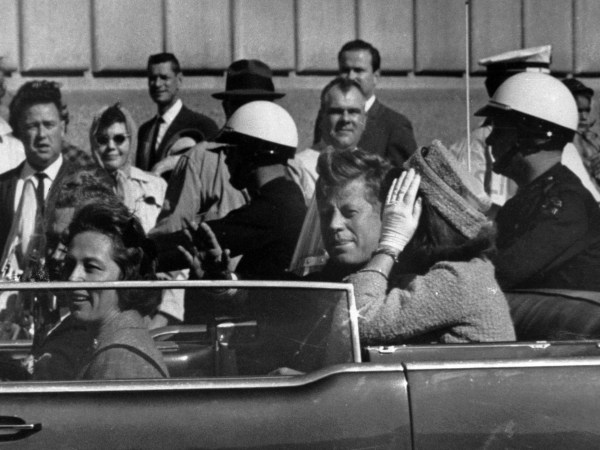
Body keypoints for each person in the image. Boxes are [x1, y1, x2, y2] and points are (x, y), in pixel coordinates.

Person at [315, 144, 515, 343]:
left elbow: (355, 323)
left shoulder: (459, 279)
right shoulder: (455, 272)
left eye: (398, 209)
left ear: (421, 216)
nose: (392, 216)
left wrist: (391, 241)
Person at [476, 72, 600, 291]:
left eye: (500, 130)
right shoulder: (531, 197)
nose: (490, 140)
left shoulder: (567, 204)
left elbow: (501, 274)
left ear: (535, 136)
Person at [174, 101, 306, 283]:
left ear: (252, 152)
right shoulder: (287, 196)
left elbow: (205, 238)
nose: (225, 159)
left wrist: (144, 249)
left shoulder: (274, 207)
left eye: (230, 150)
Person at [63, 201, 168, 380]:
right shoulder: (109, 343)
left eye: (91, 267)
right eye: (70, 264)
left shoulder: (120, 358)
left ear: (126, 276)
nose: (73, 278)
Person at [0, 81, 82, 278]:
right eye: (32, 126)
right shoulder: (2, 187)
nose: (41, 135)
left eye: (49, 125)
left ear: (62, 128)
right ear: (19, 132)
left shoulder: (85, 184)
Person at [312, 39, 417, 166]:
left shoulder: (395, 125)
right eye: (345, 70)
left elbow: (406, 173)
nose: (351, 76)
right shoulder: (327, 115)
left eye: (358, 70)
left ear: (375, 76)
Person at [136, 53, 218, 175]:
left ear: (179, 80)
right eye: (152, 78)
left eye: (164, 77)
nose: (157, 84)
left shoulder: (203, 126)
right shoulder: (145, 130)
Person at [90, 103, 166, 233]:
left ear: (131, 141)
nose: (111, 146)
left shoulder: (157, 185)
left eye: (119, 139)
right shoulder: (83, 187)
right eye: (102, 139)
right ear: (94, 143)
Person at [562, 78, 600, 186]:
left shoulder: (592, 140)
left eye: (587, 110)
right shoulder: (560, 145)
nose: (584, 117)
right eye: (578, 110)